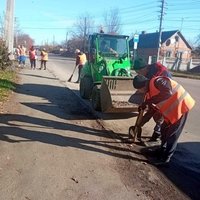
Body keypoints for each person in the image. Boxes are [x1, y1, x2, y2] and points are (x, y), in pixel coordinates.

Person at [132, 75, 195, 165]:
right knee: (164, 130)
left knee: (172, 134)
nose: (140, 91)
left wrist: (148, 102)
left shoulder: (158, 81)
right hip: (171, 113)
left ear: (144, 85)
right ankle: (161, 151)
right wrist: (139, 124)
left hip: (182, 106)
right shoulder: (149, 92)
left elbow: (167, 93)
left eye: (140, 89)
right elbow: (151, 111)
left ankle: (165, 159)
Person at [133, 57, 172, 142]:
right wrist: (144, 103)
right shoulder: (146, 74)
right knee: (151, 110)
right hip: (158, 95)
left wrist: (148, 102)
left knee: (159, 113)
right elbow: (148, 90)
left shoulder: (160, 72)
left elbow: (165, 92)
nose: (138, 74)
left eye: (139, 72)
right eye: (136, 72)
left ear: (145, 68)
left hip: (166, 96)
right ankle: (141, 126)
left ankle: (158, 133)